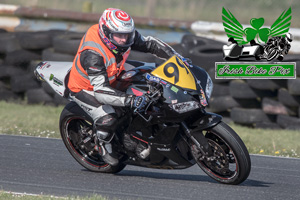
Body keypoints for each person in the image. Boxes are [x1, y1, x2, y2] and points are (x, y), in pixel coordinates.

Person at [67, 8, 180, 166]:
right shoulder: (93, 55)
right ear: (106, 32)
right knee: (109, 118)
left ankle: (138, 132)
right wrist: (131, 100)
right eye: (119, 36)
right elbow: (100, 92)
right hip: (86, 88)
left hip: (113, 73)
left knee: (154, 74)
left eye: (127, 35)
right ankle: (103, 145)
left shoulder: (123, 35)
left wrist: (177, 57)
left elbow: (150, 44)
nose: (124, 40)